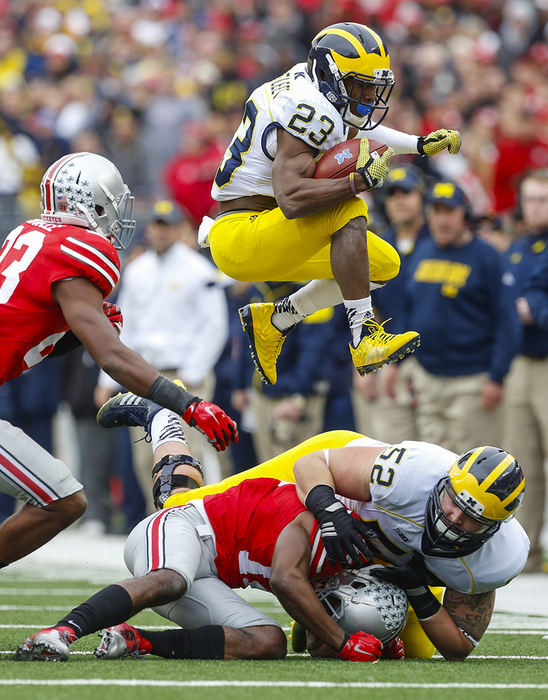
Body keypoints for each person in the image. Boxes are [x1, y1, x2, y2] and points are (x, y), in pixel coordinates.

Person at [16, 396, 402, 664]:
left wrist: (370, 643)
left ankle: (136, 640)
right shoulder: (318, 524)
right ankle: (61, 632)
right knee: (173, 555)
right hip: (186, 528)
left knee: (270, 641)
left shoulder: (339, 560)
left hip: (209, 563)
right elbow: (287, 580)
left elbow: (311, 641)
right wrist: (344, 640)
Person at [0, 152, 237, 568]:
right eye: (110, 204)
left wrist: (73, 334)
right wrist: (189, 405)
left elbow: (24, 336)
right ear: (89, 202)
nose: (116, 216)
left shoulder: (28, 233)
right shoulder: (80, 247)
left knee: (64, 498)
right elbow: (111, 356)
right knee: (63, 500)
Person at [201, 21, 461, 386]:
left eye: (373, 88)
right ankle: (363, 335)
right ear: (329, 75)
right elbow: (291, 199)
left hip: (265, 228)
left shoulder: (313, 90)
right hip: (242, 234)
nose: (369, 98)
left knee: (383, 264)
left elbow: (358, 128)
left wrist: (417, 145)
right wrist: (357, 181)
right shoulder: (308, 107)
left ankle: (275, 320)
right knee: (350, 206)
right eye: (361, 86)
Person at [291, 436, 528, 661]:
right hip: (333, 482)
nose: (454, 518)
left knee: (414, 649)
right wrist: (329, 511)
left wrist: (417, 590)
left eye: (472, 517)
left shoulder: (497, 558)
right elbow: (312, 462)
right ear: (444, 482)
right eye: (454, 500)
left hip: (382, 562)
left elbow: (458, 648)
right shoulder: (409, 474)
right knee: (267, 522)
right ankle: (312, 594)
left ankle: (319, 609)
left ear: (493, 527)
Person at [95, 199, 230, 512]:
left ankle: (194, 519)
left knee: (184, 452)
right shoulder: (138, 269)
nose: (161, 231)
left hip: (182, 373)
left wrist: (193, 373)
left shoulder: (198, 269)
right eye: (157, 224)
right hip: (143, 373)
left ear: (180, 228)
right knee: (143, 455)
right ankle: (158, 519)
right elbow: (121, 326)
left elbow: (215, 326)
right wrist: (108, 378)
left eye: (168, 225)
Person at [402, 181, 520, 452]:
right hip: (428, 378)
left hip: (472, 382)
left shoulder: (487, 257)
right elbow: (411, 310)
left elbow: (507, 321)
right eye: (436, 211)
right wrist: (406, 364)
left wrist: (497, 377)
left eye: (449, 211)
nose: (442, 220)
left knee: (471, 468)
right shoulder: (423, 251)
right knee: (433, 467)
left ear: (464, 215)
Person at [354, 165, 430, 443]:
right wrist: (363, 362)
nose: (399, 200)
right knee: (394, 449)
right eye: (392, 194)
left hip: (431, 361)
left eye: (406, 192)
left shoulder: (438, 242)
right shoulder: (379, 245)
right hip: (389, 361)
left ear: (421, 197)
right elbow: (368, 307)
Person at [503, 168, 548, 573]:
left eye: (542, 199)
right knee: (521, 464)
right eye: (531, 199)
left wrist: (535, 311)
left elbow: (521, 308)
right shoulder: (518, 248)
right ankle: (527, 554)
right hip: (520, 363)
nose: (535, 207)